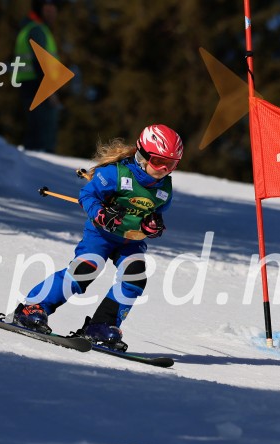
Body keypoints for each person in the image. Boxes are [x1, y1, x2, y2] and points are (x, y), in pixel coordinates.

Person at [11, 124, 184, 351]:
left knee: (135, 277)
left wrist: (151, 225)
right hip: (101, 235)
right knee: (86, 269)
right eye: (158, 162)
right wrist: (101, 214)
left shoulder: (164, 189)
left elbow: (153, 214)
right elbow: (87, 195)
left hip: (130, 242)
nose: (164, 169)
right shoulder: (115, 174)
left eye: (171, 164)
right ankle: (33, 308)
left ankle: (103, 325)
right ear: (142, 155)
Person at [13, 0, 61, 152]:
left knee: (35, 135)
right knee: (42, 140)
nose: (52, 11)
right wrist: (49, 90)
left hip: (32, 85)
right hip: (37, 87)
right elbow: (39, 61)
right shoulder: (36, 30)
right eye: (47, 7)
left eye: (54, 7)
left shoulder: (31, 29)